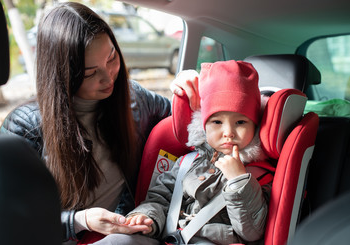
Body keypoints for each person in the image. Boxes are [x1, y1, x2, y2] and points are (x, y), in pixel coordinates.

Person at [0, 2, 198, 243]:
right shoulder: (25, 127)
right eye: (90, 73)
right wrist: (80, 220)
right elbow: (13, 219)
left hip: (124, 231)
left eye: (112, 57)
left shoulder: (135, 99)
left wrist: (186, 88)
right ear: (63, 74)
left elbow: (188, 126)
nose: (108, 77)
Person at [96, 60, 273, 244]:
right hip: (168, 235)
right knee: (117, 240)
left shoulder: (259, 176)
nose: (228, 132)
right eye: (217, 122)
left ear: (255, 125)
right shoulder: (186, 162)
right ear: (203, 125)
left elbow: (252, 232)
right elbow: (160, 199)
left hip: (213, 241)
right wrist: (145, 217)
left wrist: (238, 181)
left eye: (241, 122)